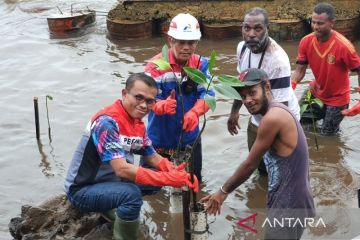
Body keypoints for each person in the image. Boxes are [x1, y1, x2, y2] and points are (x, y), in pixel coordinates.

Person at [64, 73, 198, 240]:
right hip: (82, 190)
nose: (144, 105)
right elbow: (121, 170)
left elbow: (152, 156)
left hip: (109, 181)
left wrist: (176, 172)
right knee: (131, 194)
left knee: (154, 184)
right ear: (124, 94)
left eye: (150, 101)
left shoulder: (137, 123)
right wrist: (167, 179)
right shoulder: (107, 122)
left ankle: (112, 207)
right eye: (138, 97)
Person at [201, 68, 315, 239]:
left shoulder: (272, 118)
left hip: (290, 205)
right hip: (292, 200)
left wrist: (222, 192)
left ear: (267, 87)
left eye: (252, 92)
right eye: (243, 96)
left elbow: (250, 164)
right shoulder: (277, 111)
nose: (247, 100)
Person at [227, 7, 300, 175]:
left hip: (282, 119)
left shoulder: (277, 60)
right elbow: (242, 83)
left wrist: (267, 136)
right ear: (242, 29)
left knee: (279, 170)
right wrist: (234, 111)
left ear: (267, 29)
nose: (251, 34)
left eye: (257, 28)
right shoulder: (242, 48)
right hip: (257, 114)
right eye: (247, 28)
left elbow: (281, 109)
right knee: (260, 169)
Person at [145, 13, 214, 183]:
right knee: (152, 186)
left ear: (197, 43)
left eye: (191, 42)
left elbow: (209, 94)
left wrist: (195, 112)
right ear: (171, 41)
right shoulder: (156, 66)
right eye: (181, 42)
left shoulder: (201, 64)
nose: (186, 47)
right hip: (159, 140)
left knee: (193, 182)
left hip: (190, 138)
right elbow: (144, 100)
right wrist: (160, 105)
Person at [291, 2, 360, 135]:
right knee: (297, 122)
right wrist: (290, 86)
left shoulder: (344, 46)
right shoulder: (306, 41)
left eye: (320, 23)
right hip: (315, 91)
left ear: (332, 23)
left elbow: (359, 70)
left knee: (327, 136)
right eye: (313, 22)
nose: (316, 27)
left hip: (338, 99)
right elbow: (300, 71)